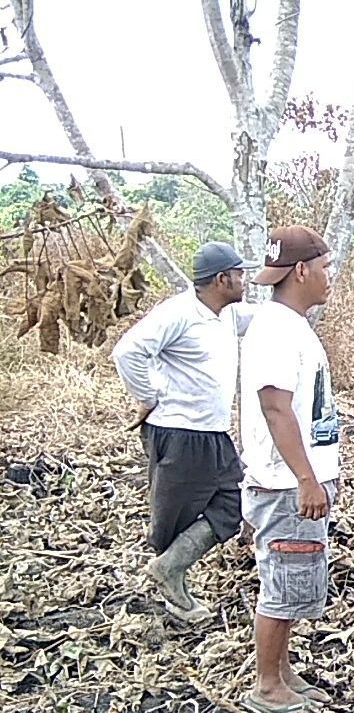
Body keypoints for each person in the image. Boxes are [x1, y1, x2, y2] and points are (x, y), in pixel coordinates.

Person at [111, 241, 258, 623]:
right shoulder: (178, 313)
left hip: (211, 432)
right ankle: (172, 579)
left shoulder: (226, 314)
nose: (245, 280)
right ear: (222, 279)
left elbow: (263, 319)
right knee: (175, 515)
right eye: (240, 274)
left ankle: (171, 569)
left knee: (235, 501)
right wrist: (148, 396)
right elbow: (128, 352)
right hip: (181, 431)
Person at [238, 226, 339, 713]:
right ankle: (267, 684)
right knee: (281, 583)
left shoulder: (291, 324)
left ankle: (283, 669)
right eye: (323, 268)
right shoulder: (276, 328)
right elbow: (276, 408)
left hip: (294, 479)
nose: (328, 278)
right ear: (301, 271)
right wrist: (305, 478)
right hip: (284, 484)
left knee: (295, 580)